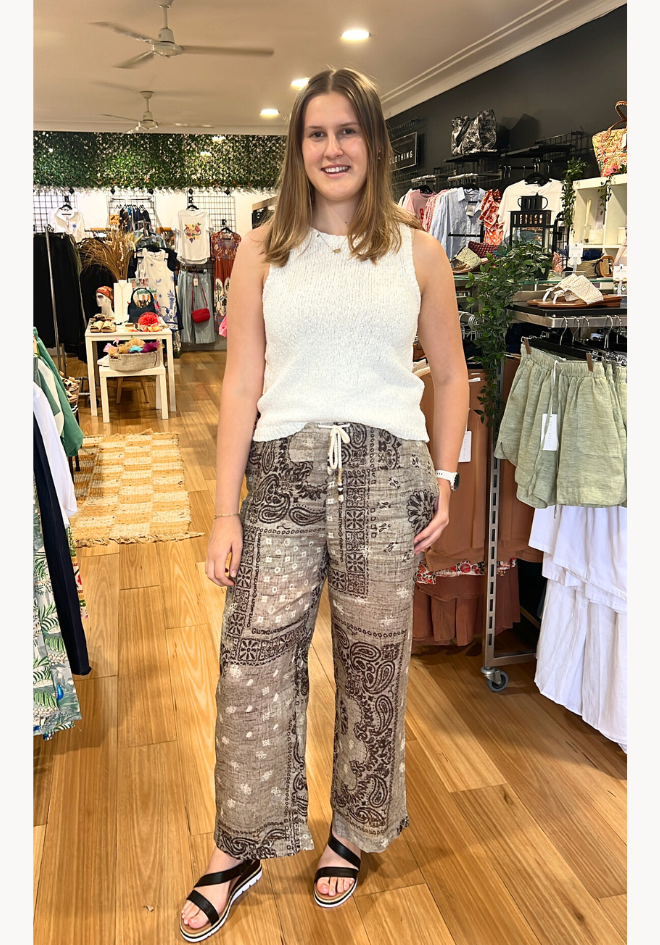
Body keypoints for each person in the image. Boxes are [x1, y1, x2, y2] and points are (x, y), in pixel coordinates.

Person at [180, 67, 469, 941]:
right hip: (280, 477)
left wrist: (447, 477)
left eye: (349, 132)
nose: (333, 148)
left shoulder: (419, 251)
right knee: (252, 663)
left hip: (388, 479)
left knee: (375, 667)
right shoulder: (263, 250)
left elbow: (449, 373)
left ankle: (352, 827)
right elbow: (240, 384)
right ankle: (244, 840)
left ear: (374, 145)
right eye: (317, 133)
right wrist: (224, 508)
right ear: (297, 149)